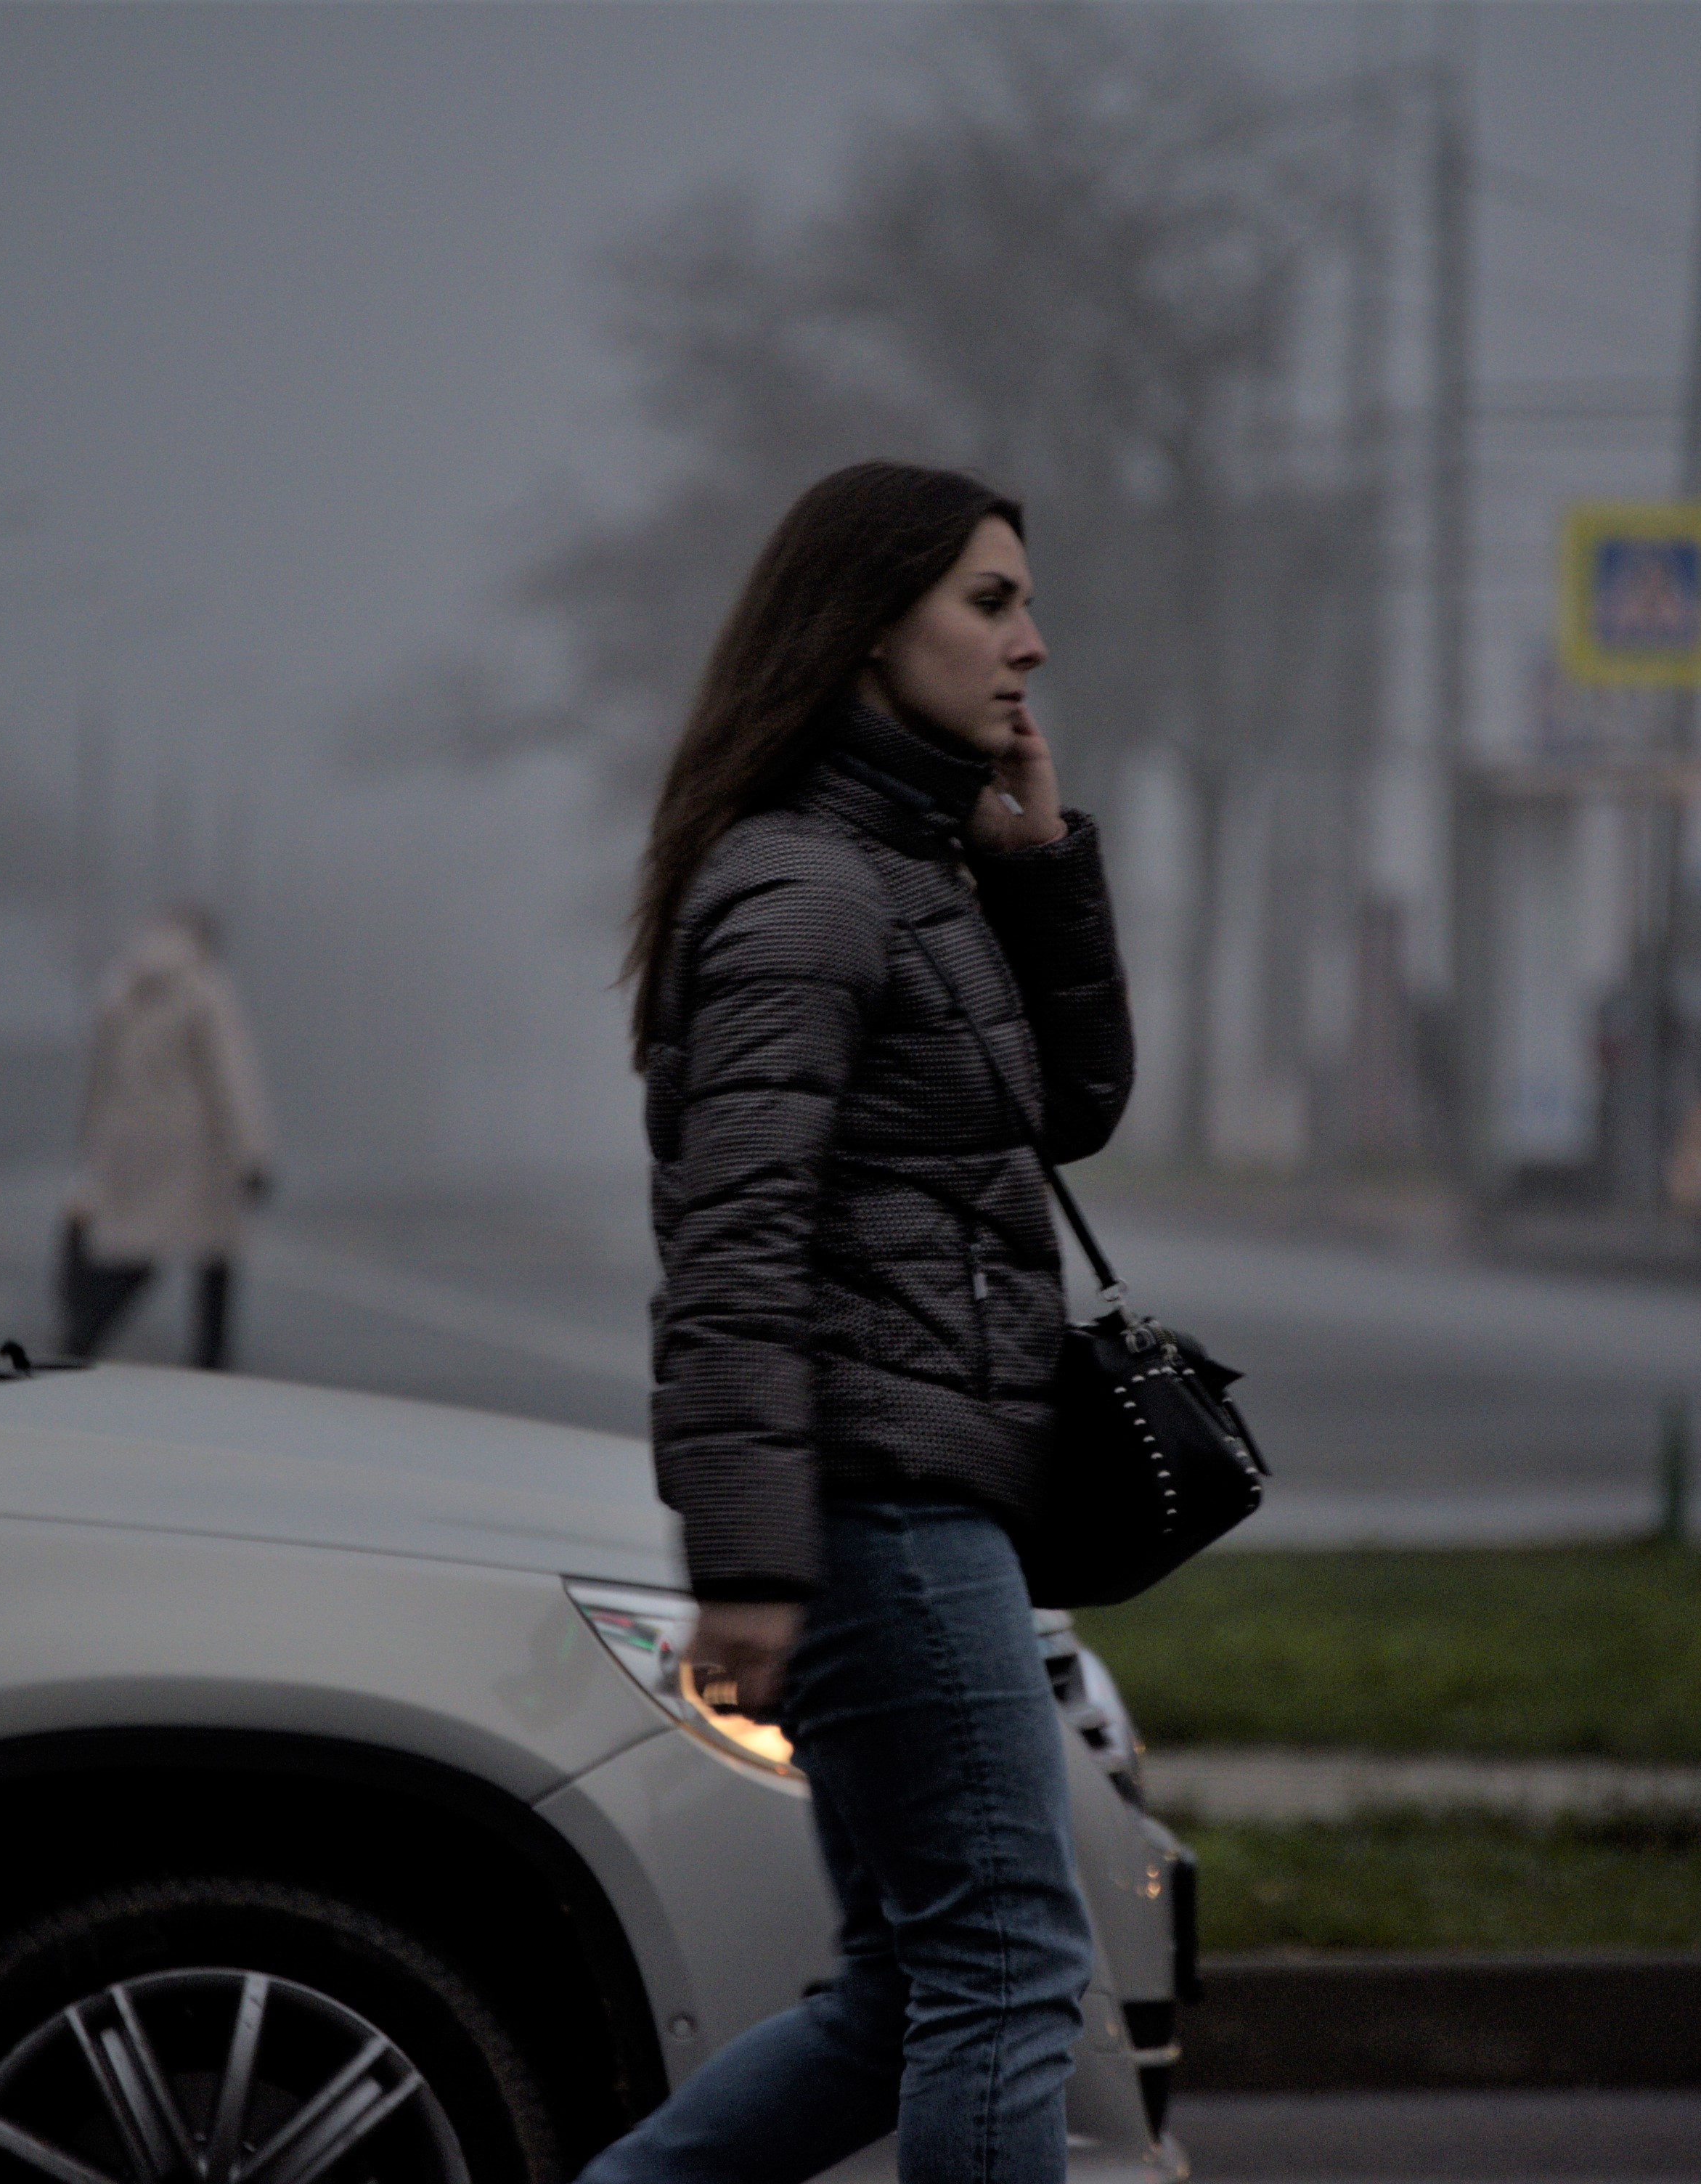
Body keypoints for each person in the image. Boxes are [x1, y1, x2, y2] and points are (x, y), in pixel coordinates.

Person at [592, 462, 1133, 2184]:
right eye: (988, 603)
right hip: (879, 1507)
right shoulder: (807, 892)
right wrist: (748, 1561)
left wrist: (1038, 859)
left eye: (1023, 604)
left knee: (909, 1983)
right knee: (1002, 1961)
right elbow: (734, 1248)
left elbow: (1067, 1104)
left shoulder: (896, 870)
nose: (1029, 646)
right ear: (859, 627)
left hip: (901, 1493)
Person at [58, 905, 274, 1369]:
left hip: (128, 1145)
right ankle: (212, 1362)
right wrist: (253, 1152)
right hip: (196, 1150)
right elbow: (232, 1075)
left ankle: (81, 1340)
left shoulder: (120, 986)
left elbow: (97, 1077)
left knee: (131, 1250)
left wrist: (91, 1149)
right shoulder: (205, 986)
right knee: (215, 1252)